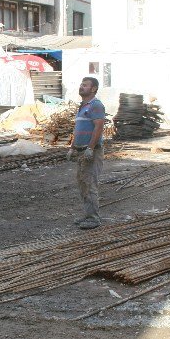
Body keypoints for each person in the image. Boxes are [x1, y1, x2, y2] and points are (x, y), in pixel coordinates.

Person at [67, 77, 106, 229]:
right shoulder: (83, 106)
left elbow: (98, 128)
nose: (81, 87)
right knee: (83, 184)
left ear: (94, 89)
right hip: (81, 151)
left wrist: (90, 148)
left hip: (92, 151)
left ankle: (93, 218)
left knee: (90, 184)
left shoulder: (96, 105)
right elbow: (78, 130)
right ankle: (87, 214)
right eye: (81, 84)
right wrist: (72, 147)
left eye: (85, 85)